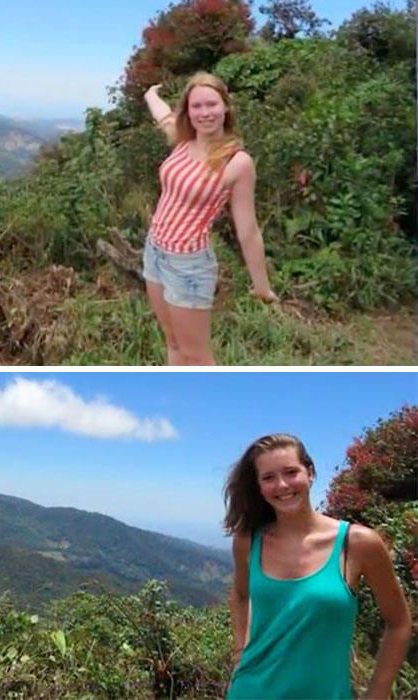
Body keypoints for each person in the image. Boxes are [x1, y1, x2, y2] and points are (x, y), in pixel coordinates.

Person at [223, 433, 412, 700]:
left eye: (291, 472)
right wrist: (239, 657)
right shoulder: (249, 540)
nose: (282, 485)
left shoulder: (356, 543)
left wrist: (378, 692)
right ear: (259, 487)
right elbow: (240, 596)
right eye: (268, 478)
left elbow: (399, 623)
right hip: (250, 692)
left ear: (310, 473)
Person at [143, 72, 277, 365]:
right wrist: (150, 95)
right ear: (188, 112)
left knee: (198, 356)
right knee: (174, 343)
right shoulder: (183, 140)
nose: (205, 113)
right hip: (154, 251)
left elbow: (248, 229)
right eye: (197, 106)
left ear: (226, 107)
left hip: (188, 264)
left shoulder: (236, 162)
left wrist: (261, 285)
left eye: (212, 105)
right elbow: (163, 116)